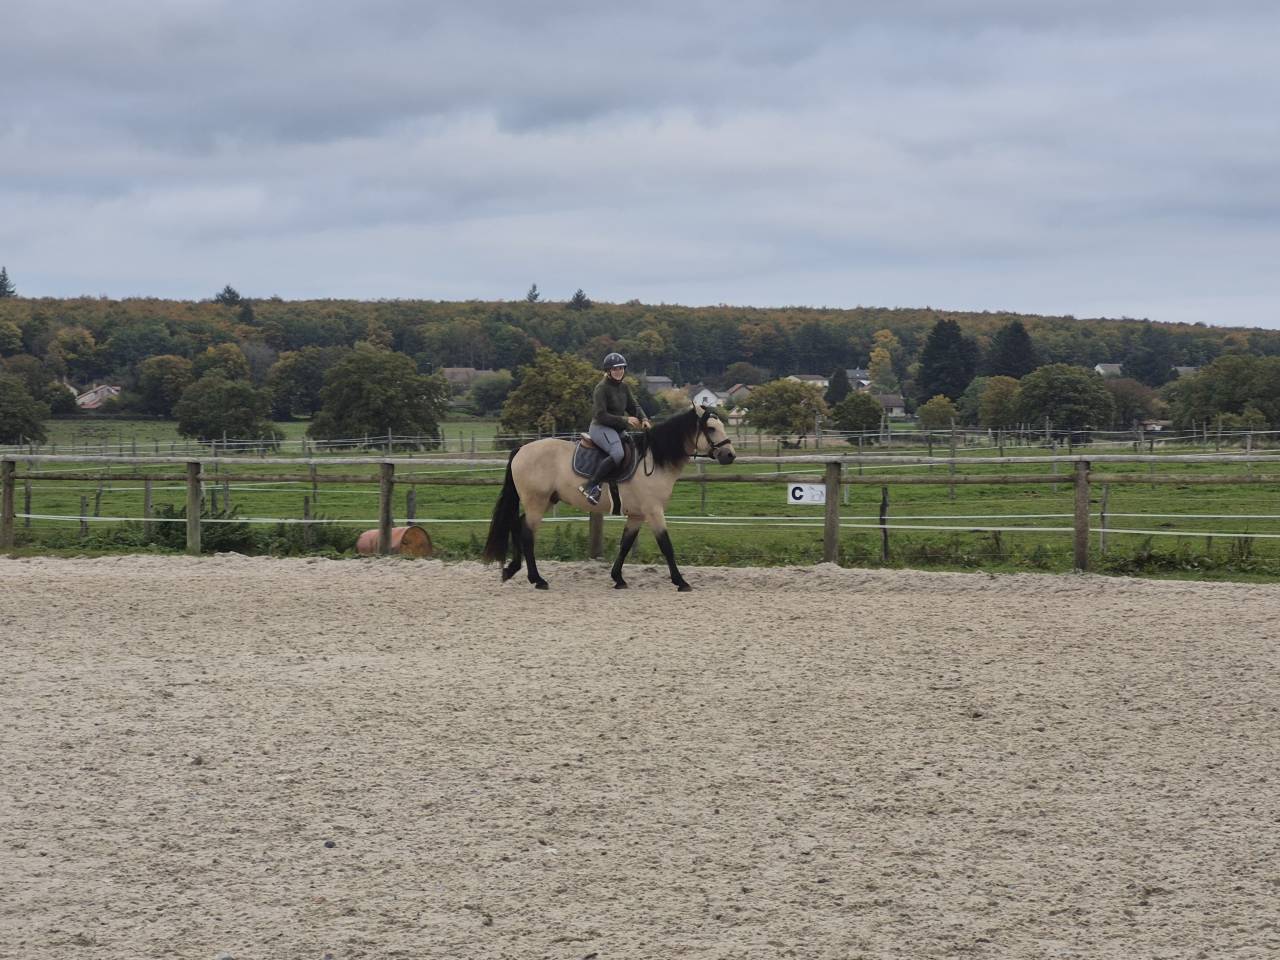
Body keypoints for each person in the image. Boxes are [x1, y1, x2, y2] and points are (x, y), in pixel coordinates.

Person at [579, 352, 650, 505]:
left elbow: (634, 406)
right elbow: (601, 415)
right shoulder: (601, 388)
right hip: (600, 427)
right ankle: (591, 486)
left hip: (616, 428)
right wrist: (625, 420)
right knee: (618, 453)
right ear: (608, 371)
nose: (619, 371)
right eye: (615, 369)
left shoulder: (624, 387)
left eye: (621, 368)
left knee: (634, 448)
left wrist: (643, 418)